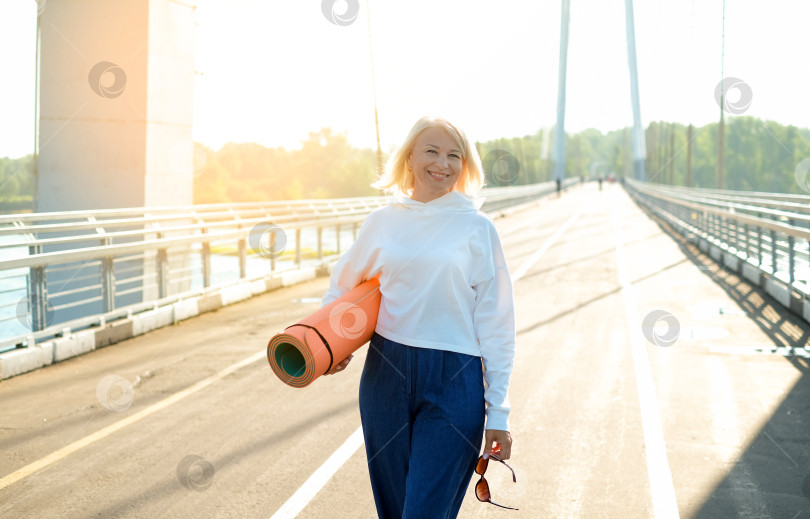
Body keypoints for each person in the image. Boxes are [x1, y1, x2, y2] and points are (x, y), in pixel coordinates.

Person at [321, 116, 517, 519]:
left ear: (465, 165)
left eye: (454, 155)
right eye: (431, 151)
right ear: (410, 157)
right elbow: (342, 286)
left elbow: (497, 325)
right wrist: (328, 345)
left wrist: (498, 412)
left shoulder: (477, 229)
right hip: (385, 376)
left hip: (454, 381)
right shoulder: (383, 222)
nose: (442, 163)